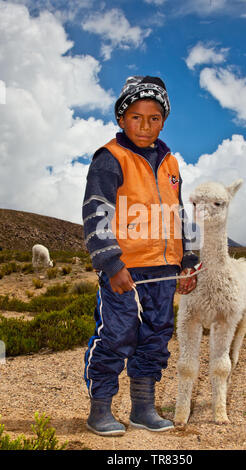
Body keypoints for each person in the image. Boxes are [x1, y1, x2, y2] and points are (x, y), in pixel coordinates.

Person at [82, 75, 198, 436]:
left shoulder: (171, 163)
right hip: (125, 269)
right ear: (121, 118)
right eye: (136, 116)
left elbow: (179, 212)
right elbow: (96, 211)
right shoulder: (110, 158)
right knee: (117, 335)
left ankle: (143, 408)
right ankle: (100, 408)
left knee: (156, 335)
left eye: (154, 117)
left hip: (165, 270)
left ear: (164, 120)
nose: (145, 125)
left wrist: (189, 259)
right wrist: (111, 263)